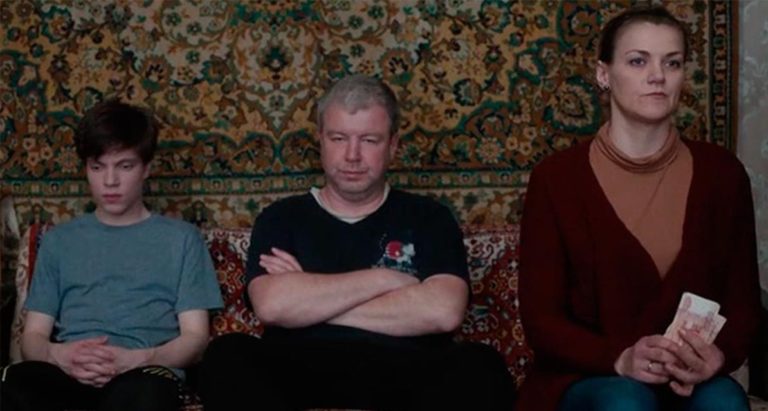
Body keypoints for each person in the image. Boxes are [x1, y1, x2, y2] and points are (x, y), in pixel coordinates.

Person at [199, 74, 515, 410]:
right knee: (227, 355)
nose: (352, 155)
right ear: (321, 140)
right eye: (338, 138)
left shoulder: (429, 217)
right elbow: (273, 306)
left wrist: (310, 298)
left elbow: (443, 312)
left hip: (408, 369)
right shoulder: (281, 217)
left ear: (392, 145)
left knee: (481, 365)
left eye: (369, 140)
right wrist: (386, 280)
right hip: (298, 367)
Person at [516, 6, 760, 411]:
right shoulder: (556, 179)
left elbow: (745, 305)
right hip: (591, 376)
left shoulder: (723, 174)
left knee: (725, 403)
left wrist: (719, 356)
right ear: (603, 74)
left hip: (688, 380)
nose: (657, 76)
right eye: (637, 61)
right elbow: (542, 320)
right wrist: (620, 358)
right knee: (626, 403)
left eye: (672, 62)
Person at [0, 100, 223, 411]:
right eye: (97, 167)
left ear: (146, 168)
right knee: (15, 382)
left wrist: (138, 359)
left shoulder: (182, 239)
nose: (110, 181)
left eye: (124, 166)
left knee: (145, 392)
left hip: (143, 373)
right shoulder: (58, 241)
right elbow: (33, 337)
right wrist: (59, 355)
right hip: (70, 374)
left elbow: (195, 339)